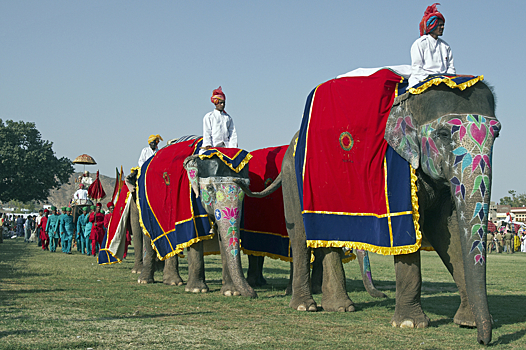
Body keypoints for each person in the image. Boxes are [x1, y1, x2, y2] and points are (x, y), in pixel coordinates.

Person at [408, 3, 455, 88]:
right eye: (440, 25)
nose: (443, 27)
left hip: (444, 81)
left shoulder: (445, 46)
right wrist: (431, 79)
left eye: (443, 25)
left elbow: (451, 68)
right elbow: (417, 68)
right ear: (431, 26)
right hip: (422, 80)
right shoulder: (420, 43)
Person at [200, 86, 238, 154]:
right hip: (213, 147)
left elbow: (232, 133)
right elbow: (207, 132)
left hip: (226, 148)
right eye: (220, 103)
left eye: (223, 103)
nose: (222, 105)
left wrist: (233, 148)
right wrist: (208, 144)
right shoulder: (209, 116)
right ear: (215, 103)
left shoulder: (228, 118)